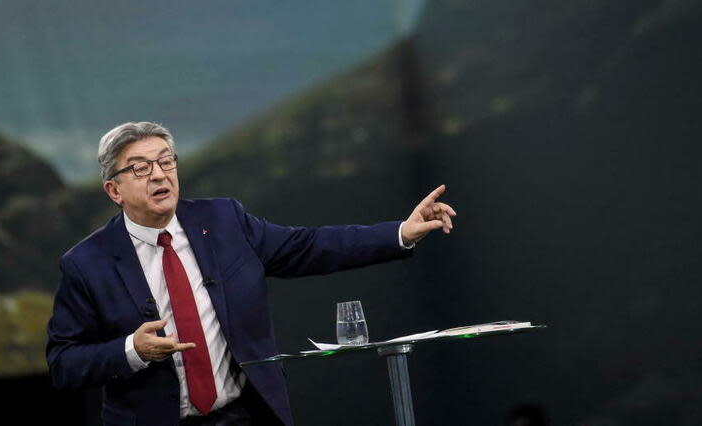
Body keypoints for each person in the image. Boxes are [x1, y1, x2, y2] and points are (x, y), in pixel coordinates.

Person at [46, 122, 456, 425]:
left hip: (244, 415)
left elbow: (307, 247)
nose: (158, 174)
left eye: (165, 161)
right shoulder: (87, 264)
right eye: (139, 168)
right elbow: (64, 362)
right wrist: (131, 350)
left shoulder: (223, 219)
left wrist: (400, 232)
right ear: (113, 190)